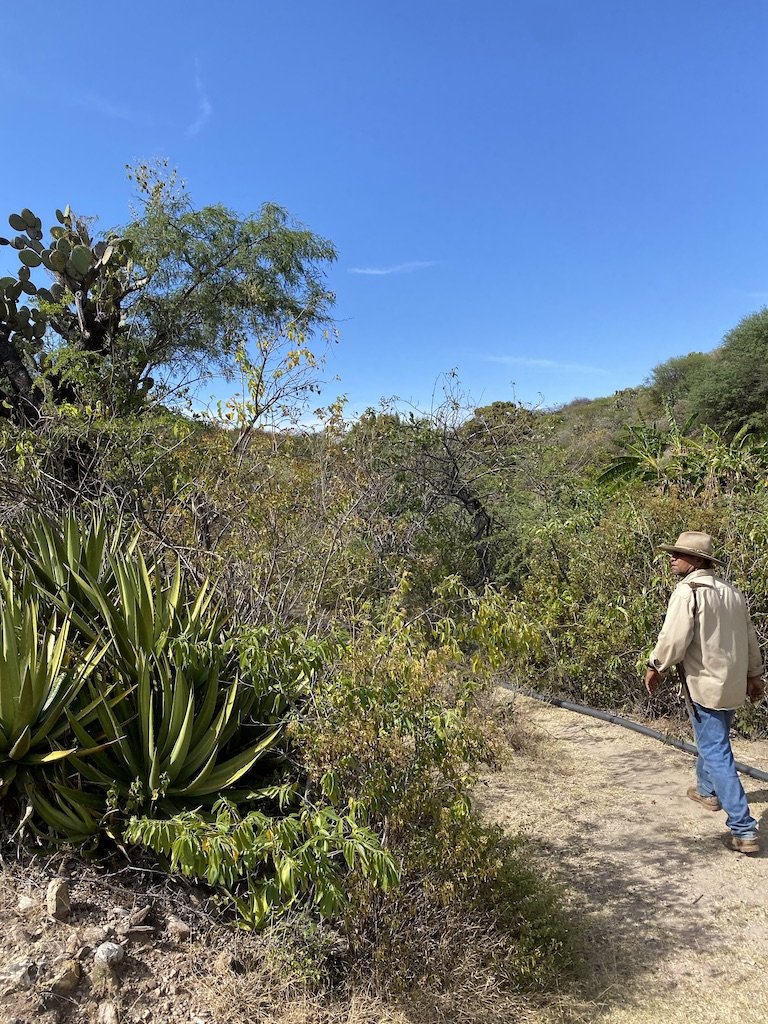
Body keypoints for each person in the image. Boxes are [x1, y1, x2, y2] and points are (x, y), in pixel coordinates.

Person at [644, 531, 765, 854]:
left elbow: (673, 639)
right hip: (732, 682)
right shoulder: (732, 592)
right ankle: (707, 791)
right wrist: (755, 675)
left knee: (715, 749)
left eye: (678, 554)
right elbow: (750, 638)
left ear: (696, 561)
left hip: (705, 684)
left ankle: (744, 828)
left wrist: (656, 665)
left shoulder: (688, 592)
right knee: (714, 740)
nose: (672, 559)